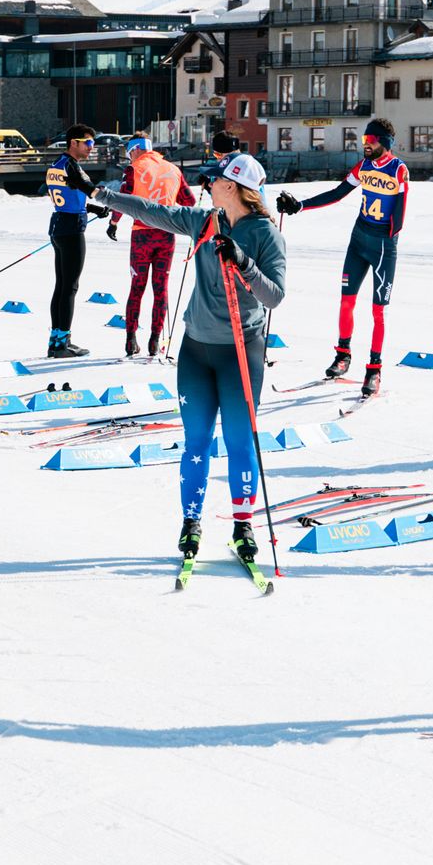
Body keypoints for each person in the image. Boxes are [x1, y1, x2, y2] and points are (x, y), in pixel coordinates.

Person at [91, 152, 285, 581]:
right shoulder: (206, 221)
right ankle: (191, 523)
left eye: (214, 180)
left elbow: (274, 297)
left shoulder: (266, 234)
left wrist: (244, 263)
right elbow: (153, 212)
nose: (207, 184)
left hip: (240, 352)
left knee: (238, 444)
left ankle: (242, 527)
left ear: (232, 186)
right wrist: (99, 193)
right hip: (197, 351)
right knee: (196, 443)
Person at [274, 117, 409, 401]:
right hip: (359, 240)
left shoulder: (399, 170)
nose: (365, 145)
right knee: (346, 300)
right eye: (364, 141)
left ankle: (374, 369)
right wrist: (300, 206)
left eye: (369, 141)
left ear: (383, 143)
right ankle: (343, 355)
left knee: (378, 311)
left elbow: (400, 216)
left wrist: (388, 238)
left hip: (383, 247)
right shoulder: (363, 166)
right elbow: (337, 193)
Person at [107, 137, 194, 360]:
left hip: (142, 234)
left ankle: (130, 339)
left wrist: (114, 222)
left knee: (137, 286)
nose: (129, 158)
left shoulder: (134, 168)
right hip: (167, 234)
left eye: (129, 153)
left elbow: (122, 199)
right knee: (160, 288)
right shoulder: (173, 169)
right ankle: (155, 341)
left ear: (135, 151)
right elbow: (189, 201)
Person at [40, 124, 101, 359]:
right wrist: (113, 201)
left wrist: (93, 208)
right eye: (87, 143)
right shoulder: (72, 166)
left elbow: (70, 194)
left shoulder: (56, 165)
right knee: (70, 288)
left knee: (62, 286)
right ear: (73, 143)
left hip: (59, 225)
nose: (90, 148)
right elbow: (89, 189)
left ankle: (56, 340)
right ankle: (63, 342)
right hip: (72, 229)